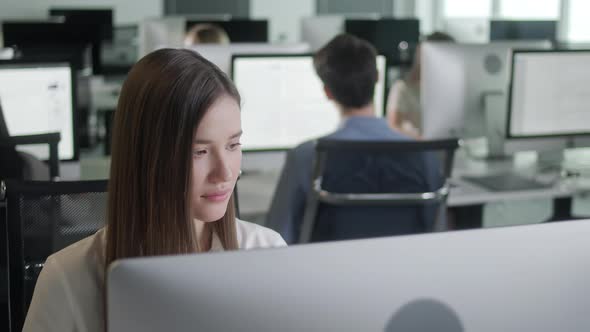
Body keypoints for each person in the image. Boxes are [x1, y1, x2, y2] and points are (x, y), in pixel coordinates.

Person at [23, 48, 286, 332]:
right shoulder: (70, 278)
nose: (225, 172)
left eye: (233, 145)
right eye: (199, 151)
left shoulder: (266, 252)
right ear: (147, 156)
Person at [265, 34, 441, 244]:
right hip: (404, 271)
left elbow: (276, 238)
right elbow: (437, 230)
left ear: (327, 92)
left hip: (329, 272)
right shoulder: (424, 155)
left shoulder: (307, 156)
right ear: (378, 78)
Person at [386, 31, 455, 138]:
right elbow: (393, 127)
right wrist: (422, 140)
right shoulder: (403, 88)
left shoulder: (452, 89)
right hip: (417, 148)